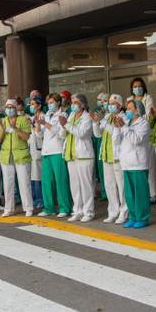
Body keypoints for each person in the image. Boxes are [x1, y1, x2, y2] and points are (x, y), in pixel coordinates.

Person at [113, 99, 151, 228]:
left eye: (130, 109)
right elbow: (117, 141)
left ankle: (143, 217)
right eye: (127, 108)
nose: (127, 111)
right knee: (129, 194)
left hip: (138, 163)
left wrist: (123, 127)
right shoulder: (127, 123)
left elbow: (136, 140)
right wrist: (117, 128)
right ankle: (133, 216)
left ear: (137, 110)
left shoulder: (143, 124)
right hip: (127, 163)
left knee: (140, 193)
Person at [0, 99, 34, 217]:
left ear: (16, 108)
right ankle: (9, 208)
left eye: (12, 107)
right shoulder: (2, 121)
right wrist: (2, 129)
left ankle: (28, 208)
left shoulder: (23, 120)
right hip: (6, 156)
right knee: (8, 183)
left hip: (21, 156)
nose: (9, 109)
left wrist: (15, 128)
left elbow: (26, 137)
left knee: (24, 182)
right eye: (7, 107)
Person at [61, 94, 95, 222]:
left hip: (84, 155)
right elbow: (64, 133)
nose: (73, 104)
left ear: (83, 104)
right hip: (72, 155)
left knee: (86, 185)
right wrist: (63, 126)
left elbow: (81, 133)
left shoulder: (87, 117)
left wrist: (66, 125)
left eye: (76, 102)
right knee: (75, 185)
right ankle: (77, 211)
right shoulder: (71, 116)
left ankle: (89, 212)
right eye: (72, 102)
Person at [94, 94, 128, 223]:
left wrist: (103, 122)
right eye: (109, 103)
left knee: (121, 186)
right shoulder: (107, 117)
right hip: (106, 156)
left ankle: (124, 211)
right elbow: (98, 134)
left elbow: (116, 136)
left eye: (113, 103)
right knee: (109, 186)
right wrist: (96, 122)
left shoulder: (123, 117)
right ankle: (113, 212)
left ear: (119, 105)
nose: (110, 106)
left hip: (117, 157)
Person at [37, 93, 72, 217]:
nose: (49, 105)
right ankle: (49, 208)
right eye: (48, 102)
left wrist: (44, 124)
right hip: (46, 151)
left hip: (57, 151)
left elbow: (58, 132)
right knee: (46, 181)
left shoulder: (63, 115)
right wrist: (37, 125)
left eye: (51, 102)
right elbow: (40, 135)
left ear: (58, 102)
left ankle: (64, 207)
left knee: (60, 180)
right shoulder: (46, 115)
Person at [128, 77, 156, 203]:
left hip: (146, 135)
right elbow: (128, 117)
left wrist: (137, 117)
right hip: (133, 137)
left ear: (143, 87)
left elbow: (147, 115)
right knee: (137, 167)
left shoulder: (148, 98)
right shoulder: (129, 100)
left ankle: (152, 194)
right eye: (135, 86)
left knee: (150, 166)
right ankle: (141, 194)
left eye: (139, 86)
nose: (137, 88)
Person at [27, 96, 45, 210]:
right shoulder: (32, 117)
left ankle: (40, 200)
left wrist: (34, 125)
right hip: (32, 150)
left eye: (34, 104)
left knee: (38, 177)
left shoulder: (42, 117)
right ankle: (35, 199)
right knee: (33, 177)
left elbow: (40, 134)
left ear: (39, 105)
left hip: (39, 150)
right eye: (30, 104)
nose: (31, 106)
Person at [91, 92, 109, 201]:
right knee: (101, 170)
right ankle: (104, 192)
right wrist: (96, 121)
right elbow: (97, 133)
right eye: (100, 100)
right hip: (100, 143)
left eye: (105, 101)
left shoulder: (113, 114)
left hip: (110, 145)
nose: (102, 103)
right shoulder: (97, 112)